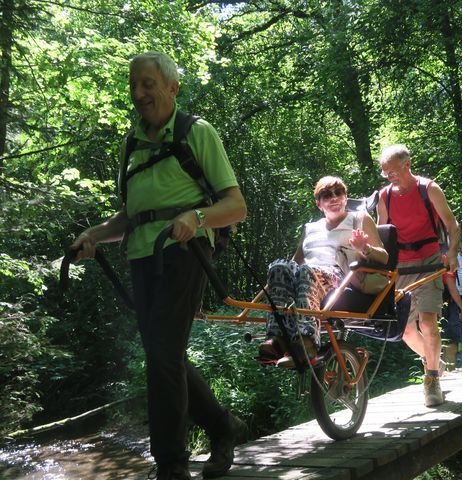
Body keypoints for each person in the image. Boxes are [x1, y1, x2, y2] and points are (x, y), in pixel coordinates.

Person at [70, 52, 248, 480]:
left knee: (163, 352)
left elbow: (235, 205)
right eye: (134, 84)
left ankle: (171, 464)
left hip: (185, 253)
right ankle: (224, 427)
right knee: (163, 353)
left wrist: (196, 217)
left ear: (172, 88)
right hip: (141, 257)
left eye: (148, 84)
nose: (138, 93)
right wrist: (93, 235)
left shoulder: (196, 132)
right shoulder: (131, 145)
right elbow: (130, 218)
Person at [258, 176, 388, 368]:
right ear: (319, 204)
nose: (334, 198)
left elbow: (384, 257)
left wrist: (364, 247)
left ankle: (307, 343)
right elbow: (294, 263)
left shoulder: (358, 219)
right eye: (327, 195)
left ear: (345, 198)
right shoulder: (311, 228)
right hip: (307, 275)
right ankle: (277, 339)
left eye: (339, 193)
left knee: (307, 272)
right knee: (279, 266)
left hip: (341, 276)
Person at [377, 144, 460, 407]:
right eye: (386, 174)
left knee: (427, 322)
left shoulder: (429, 189)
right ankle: (434, 359)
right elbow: (381, 235)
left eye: (393, 172)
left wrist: (454, 253)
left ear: (407, 165)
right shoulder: (384, 196)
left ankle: (432, 378)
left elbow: (452, 225)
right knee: (404, 330)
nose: (390, 177)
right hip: (400, 266)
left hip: (429, 261)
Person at [441, 271, 462, 371]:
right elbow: (452, 288)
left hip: (430, 307)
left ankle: (439, 373)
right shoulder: (446, 263)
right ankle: (450, 369)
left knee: (438, 341)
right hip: (447, 307)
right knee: (451, 341)